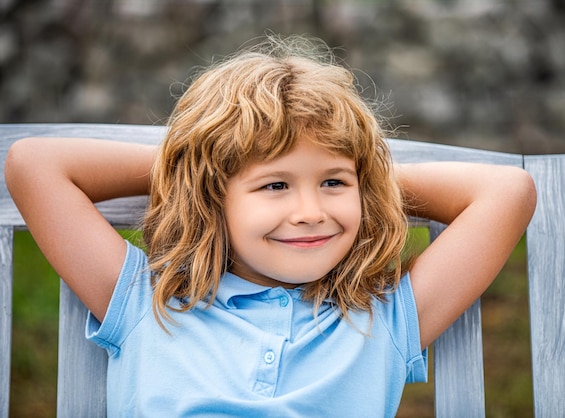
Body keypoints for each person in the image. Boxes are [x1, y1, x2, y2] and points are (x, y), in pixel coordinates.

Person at [4, 35, 536, 417]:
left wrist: (366, 175)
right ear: (213, 195)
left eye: (333, 183)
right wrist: (200, 166)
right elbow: (34, 165)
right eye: (275, 185)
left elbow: (507, 192)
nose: (310, 211)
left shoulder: (383, 321)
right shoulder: (148, 304)